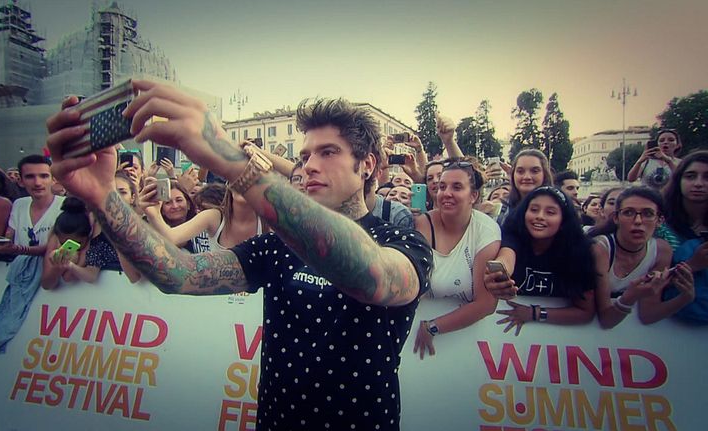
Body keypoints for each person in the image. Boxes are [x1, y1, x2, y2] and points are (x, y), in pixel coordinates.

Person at [46, 84, 432, 430]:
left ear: (367, 165)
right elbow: (178, 273)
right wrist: (102, 196)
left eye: (328, 152)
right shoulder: (278, 244)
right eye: (305, 155)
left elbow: (372, 277)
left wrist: (231, 160)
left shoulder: (402, 242)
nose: (310, 165)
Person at [412, 161, 500, 358]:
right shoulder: (422, 223)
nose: (447, 193)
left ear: (473, 195)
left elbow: (486, 303)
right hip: (414, 338)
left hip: (469, 342)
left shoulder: (486, 231)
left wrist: (433, 327)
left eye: (457, 187)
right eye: (442, 187)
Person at [484, 186, 597, 334]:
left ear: (563, 219)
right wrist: (498, 274)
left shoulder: (579, 252)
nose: (540, 216)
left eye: (550, 212)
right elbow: (507, 256)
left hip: (557, 337)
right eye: (534, 210)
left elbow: (585, 312)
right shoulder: (512, 236)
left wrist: (535, 313)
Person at [590, 187, 693, 327]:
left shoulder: (661, 250)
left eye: (648, 213)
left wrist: (685, 298)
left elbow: (647, 314)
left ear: (660, 220)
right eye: (628, 212)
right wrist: (630, 297)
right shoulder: (600, 248)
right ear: (616, 218)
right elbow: (606, 320)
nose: (638, 220)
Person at [658, 150, 708, 323]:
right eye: (690, 176)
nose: (698, 184)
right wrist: (692, 265)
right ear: (678, 180)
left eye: (707, 177)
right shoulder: (659, 225)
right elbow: (644, 282)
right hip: (667, 322)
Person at [0, 155, 65, 258]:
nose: (37, 183)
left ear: (53, 179)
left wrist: (18, 249)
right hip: (18, 267)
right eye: (30, 177)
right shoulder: (19, 204)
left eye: (44, 176)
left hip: (51, 267)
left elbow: (57, 248)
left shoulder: (66, 206)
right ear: (21, 181)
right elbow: (9, 237)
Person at [40, 197, 92, 290]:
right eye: (64, 243)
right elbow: (46, 285)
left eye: (77, 243)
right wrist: (57, 268)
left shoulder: (90, 241)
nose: (71, 247)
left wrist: (71, 263)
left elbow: (68, 277)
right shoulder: (54, 239)